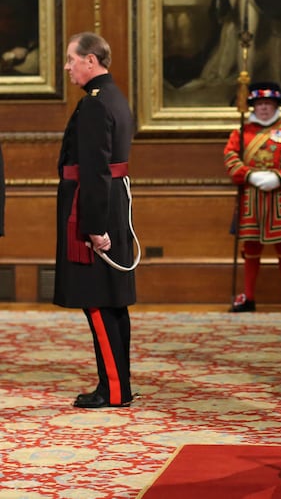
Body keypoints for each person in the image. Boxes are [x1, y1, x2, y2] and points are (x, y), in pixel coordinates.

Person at [55, 32, 136, 409]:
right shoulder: (114, 97)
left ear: (91, 60)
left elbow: (94, 169)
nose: (68, 67)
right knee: (112, 302)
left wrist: (94, 227)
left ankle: (115, 390)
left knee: (98, 302)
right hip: (111, 203)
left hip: (94, 208)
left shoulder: (94, 104)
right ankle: (117, 384)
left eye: (71, 59)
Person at [224, 81, 281, 313]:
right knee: (250, 246)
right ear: (252, 106)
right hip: (250, 197)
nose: (264, 108)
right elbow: (230, 157)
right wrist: (248, 175)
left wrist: (280, 177)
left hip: (280, 196)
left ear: (276, 104)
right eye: (259, 103)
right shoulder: (241, 133)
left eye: (268, 103)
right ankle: (248, 297)